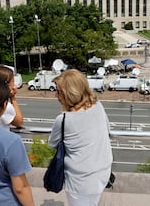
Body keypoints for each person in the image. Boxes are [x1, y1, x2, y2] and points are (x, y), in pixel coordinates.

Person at [49, 69, 113, 206]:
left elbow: (53, 143)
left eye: (59, 91)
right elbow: (108, 131)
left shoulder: (64, 119)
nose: (56, 95)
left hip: (79, 180)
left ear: (70, 94)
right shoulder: (98, 105)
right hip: (102, 173)